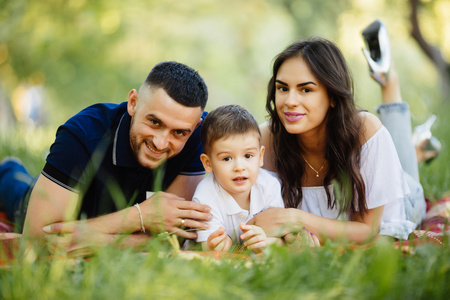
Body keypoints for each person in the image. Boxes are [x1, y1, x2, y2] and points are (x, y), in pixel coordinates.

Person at [0, 61, 213, 251]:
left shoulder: (198, 136)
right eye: (154, 122)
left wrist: (96, 239)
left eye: (178, 133)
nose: (160, 143)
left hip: (91, 223)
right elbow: (40, 239)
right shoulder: (83, 133)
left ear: (195, 126)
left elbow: (174, 238)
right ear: (133, 103)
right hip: (63, 206)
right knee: (14, 186)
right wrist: (141, 216)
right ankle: (8, 169)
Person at [247, 36, 425, 243]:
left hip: (406, 202)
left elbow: (368, 230)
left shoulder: (364, 130)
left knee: (405, 174)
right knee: (391, 160)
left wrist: (295, 218)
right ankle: (420, 149)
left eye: (306, 89)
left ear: (332, 96)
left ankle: (389, 81)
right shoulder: (264, 141)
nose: (290, 101)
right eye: (283, 88)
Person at [192, 104, 291, 253]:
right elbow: (207, 246)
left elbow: (280, 239)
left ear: (260, 156)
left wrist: (265, 242)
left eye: (248, 156)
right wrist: (216, 244)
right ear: (208, 163)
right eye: (226, 158)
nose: (239, 167)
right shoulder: (205, 196)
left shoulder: (269, 186)